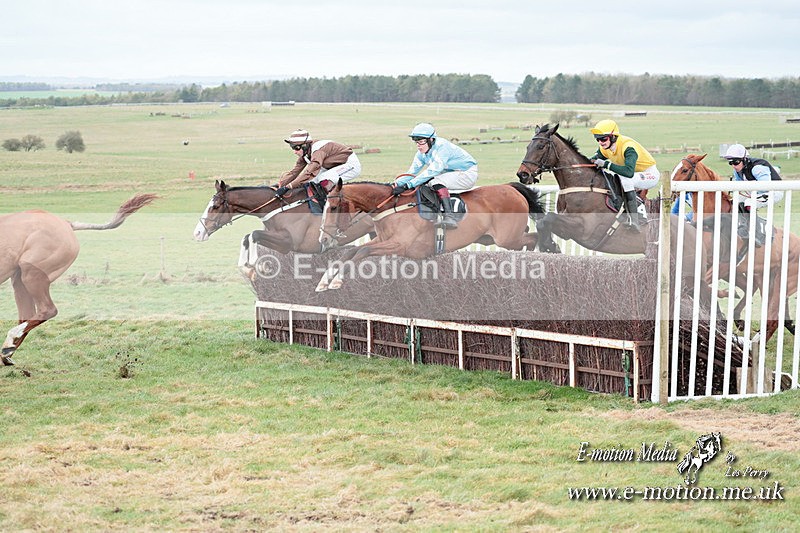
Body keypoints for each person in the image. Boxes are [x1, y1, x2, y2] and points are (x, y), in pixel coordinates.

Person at [391, 123, 477, 229]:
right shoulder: (421, 153)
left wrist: (408, 185)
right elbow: (411, 173)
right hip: (449, 173)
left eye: (421, 142)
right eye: (416, 142)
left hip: (467, 173)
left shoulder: (442, 147)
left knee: (434, 181)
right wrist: (395, 184)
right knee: (425, 184)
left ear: (431, 140)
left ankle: (449, 216)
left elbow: (433, 171)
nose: (418, 145)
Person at [589, 119, 659, 231]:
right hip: (634, 176)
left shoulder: (628, 147)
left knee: (626, 179)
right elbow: (592, 160)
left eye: (603, 138)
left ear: (613, 137)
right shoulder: (604, 148)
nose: (600, 142)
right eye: (597, 139)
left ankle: (635, 222)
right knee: (614, 177)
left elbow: (628, 172)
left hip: (649, 175)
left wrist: (606, 164)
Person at [274, 129, 361, 198]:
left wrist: (288, 187)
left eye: (296, 148)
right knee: (312, 182)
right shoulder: (305, 154)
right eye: (292, 148)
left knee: (323, 179)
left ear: (305, 146)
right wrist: (279, 186)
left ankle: (336, 205)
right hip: (331, 167)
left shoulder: (318, 151)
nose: (294, 152)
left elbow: (309, 173)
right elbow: (294, 172)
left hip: (350, 165)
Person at [723, 143, 783, 211]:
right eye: (730, 163)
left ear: (744, 159)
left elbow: (765, 188)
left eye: (736, 162)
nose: (733, 166)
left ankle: (752, 221)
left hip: (773, 192)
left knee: (749, 202)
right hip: (756, 192)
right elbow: (738, 187)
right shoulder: (737, 170)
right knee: (734, 202)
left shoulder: (757, 168)